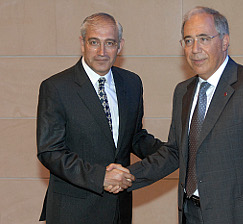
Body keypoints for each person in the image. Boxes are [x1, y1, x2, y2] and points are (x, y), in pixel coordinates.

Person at [127, 6, 243, 224]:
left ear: (224, 41)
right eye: (188, 40)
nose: (195, 49)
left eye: (203, 39)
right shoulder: (182, 91)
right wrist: (127, 176)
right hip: (189, 214)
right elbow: (175, 152)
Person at [36, 13, 161, 224]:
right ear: (82, 43)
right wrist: (99, 177)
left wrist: (175, 152)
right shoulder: (56, 87)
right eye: (94, 42)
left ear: (119, 46)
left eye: (109, 43)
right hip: (72, 212)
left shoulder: (131, 83)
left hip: (118, 211)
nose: (102, 52)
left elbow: (135, 138)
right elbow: (50, 151)